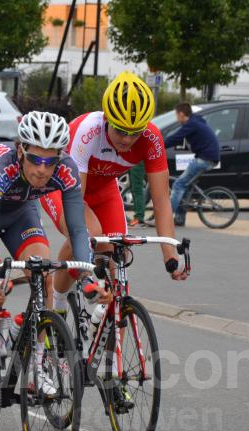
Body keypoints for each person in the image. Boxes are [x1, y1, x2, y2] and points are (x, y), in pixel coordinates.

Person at [0, 111, 107, 402]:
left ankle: (36, 362)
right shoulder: (0, 167)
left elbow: (76, 228)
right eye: (35, 159)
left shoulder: (66, 170)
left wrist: (87, 278)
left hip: (21, 211)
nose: (43, 170)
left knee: (45, 276)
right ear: (21, 151)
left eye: (51, 161)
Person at [40, 71, 188, 320]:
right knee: (90, 235)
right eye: (120, 130)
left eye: (135, 132)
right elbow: (76, 201)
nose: (128, 139)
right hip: (65, 189)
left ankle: (102, 325)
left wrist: (170, 255)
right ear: (107, 118)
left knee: (119, 252)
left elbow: (162, 202)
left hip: (104, 190)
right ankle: (58, 303)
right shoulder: (88, 131)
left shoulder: (151, 139)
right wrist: (89, 242)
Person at [164, 102, 220, 226]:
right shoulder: (196, 121)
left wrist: (159, 146)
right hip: (208, 157)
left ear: (181, 114)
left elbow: (176, 138)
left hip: (204, 159)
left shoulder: (191, 124)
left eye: (176, 115)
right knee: (186, 186)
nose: (177, 118)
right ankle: (179, 219)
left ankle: (166, 218)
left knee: (178, 184)